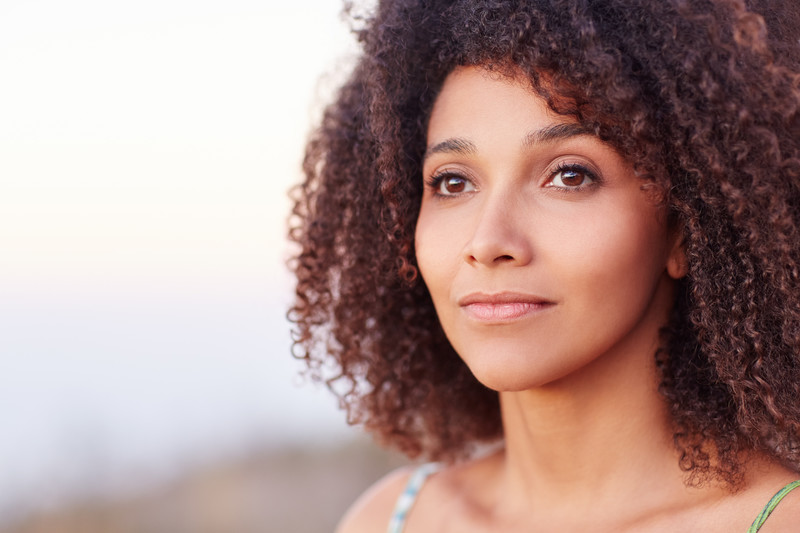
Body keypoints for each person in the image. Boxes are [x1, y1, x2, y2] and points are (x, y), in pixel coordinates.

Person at [288, 0, 800, 531]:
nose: (487, 242)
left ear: (685, 226)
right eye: (453, 182)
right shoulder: (392, 518)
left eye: (570, 176)